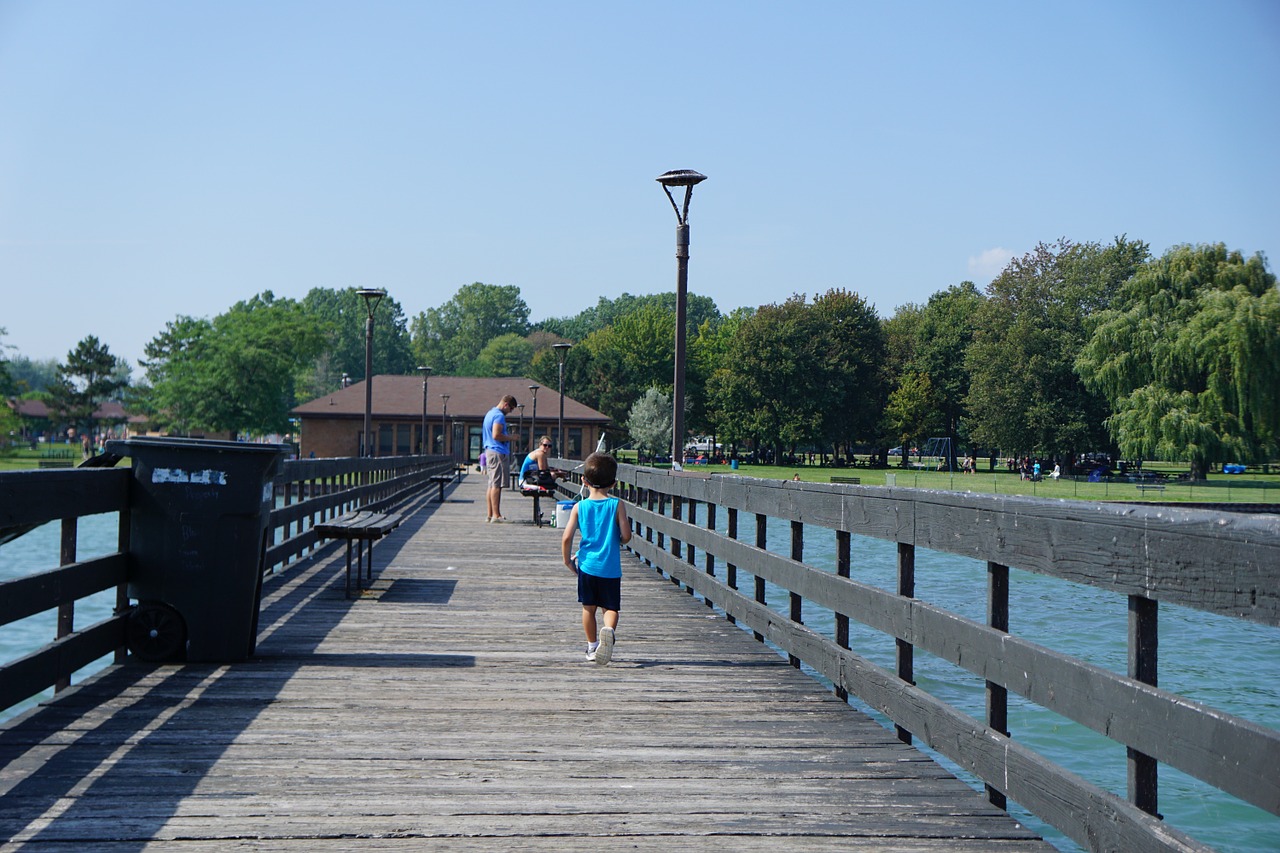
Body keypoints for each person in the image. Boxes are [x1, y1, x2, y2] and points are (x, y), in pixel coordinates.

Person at [561, 452, 632, 665]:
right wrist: (617, 539)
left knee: (588, 608)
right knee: (610, 608)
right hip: (610, 567)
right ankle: (608, 630)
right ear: (613, 483)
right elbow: (627, 536)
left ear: (584, 480)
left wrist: (567, 560)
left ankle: (592, 646)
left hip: (587, 566)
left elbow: (566, 538)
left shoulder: (579, 507)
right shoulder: (617, 505)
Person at [481, 394, 519, 523]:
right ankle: (496, 515)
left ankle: (490, 514)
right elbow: (496, 435)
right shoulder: (499, 416)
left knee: (492, 484)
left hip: (490, 451)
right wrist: (511, 438)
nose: (510, 412)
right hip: (497, 452)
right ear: (506, 404)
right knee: (497, 485)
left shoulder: (489, 413)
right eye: (511, 409)